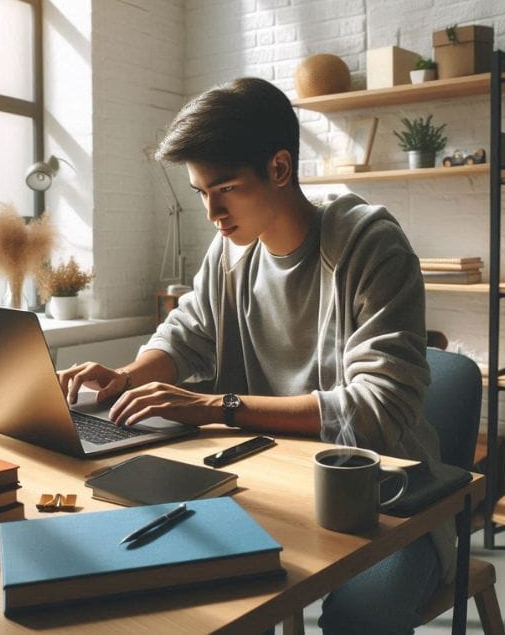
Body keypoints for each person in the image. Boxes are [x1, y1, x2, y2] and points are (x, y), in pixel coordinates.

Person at [58, 77, 454, 634]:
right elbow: (187, 333)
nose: (212, 213)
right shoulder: (229, 252)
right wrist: (125, 376)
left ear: (279, 168)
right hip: (269, 480)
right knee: (214, 596)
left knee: (360, 616)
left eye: (225, 188)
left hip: (385, 498)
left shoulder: (370, 243)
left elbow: (377, 410)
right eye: (200, 192)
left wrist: (216, 407)